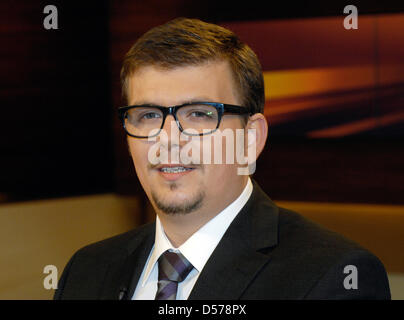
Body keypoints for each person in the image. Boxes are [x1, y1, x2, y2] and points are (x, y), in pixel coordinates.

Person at [54, 18, 390, 300]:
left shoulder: (335, 278)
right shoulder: (86, 271)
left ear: (250, 139)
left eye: (199, 114)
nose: (168, 139)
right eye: (148, 115)